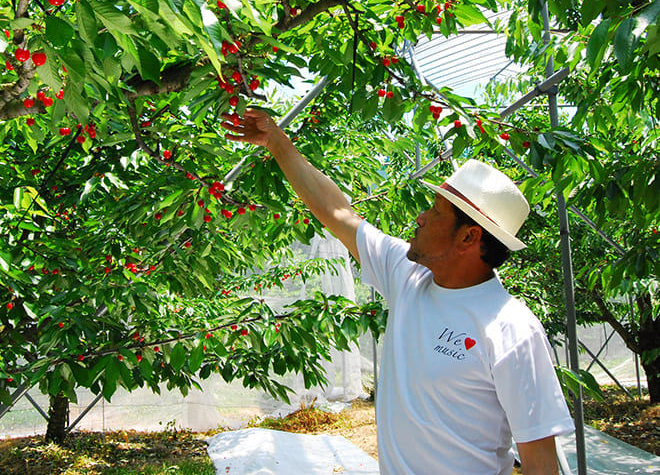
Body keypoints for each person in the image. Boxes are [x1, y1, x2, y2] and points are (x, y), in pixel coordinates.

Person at [222, 108, 574, 475]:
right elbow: (337, 212)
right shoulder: (408, 275)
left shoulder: (511, 329)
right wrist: (275, 141)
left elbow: (540, 462)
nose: (420, 217)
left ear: (469, 237)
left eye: (436, 212)